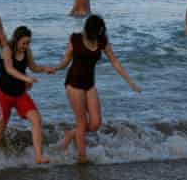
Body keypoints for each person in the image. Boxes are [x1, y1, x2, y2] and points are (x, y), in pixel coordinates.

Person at [52, 15, 141, 164]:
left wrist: (130, 81)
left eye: (101, 32)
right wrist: (56, 68)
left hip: (89, 84)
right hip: (74, 83)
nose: (99, 35)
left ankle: (70, 134)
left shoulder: (102, 39)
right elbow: (66, 60)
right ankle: (82, 158)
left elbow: (114, 61)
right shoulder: (75, 38)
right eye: (97, 32)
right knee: (81, 122)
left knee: (95, 123)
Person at [0, 26, 55, 164]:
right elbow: (9, 69)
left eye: (28, 43)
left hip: (20, 94)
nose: (26, 46)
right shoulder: (6, 50)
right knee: (0, 129)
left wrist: (45, 69)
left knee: (36, 119)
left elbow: (33, 67)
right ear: (16, 40)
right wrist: (26, 79)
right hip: (3, 95)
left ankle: (38, 156)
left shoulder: (27, 51)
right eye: (24, 43)